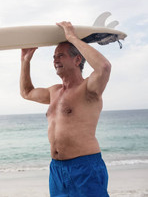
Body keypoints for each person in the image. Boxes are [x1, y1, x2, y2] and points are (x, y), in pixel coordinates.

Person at [20, 22, 110, 196]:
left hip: (85, 168)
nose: (55, 60)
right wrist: (25, 61)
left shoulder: (89, 89)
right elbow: (27, 92)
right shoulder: (54, 92)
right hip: (57, 170)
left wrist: (72, 38)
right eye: (54, 56)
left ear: (77, 60)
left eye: (60, 55)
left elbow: (104, 67)